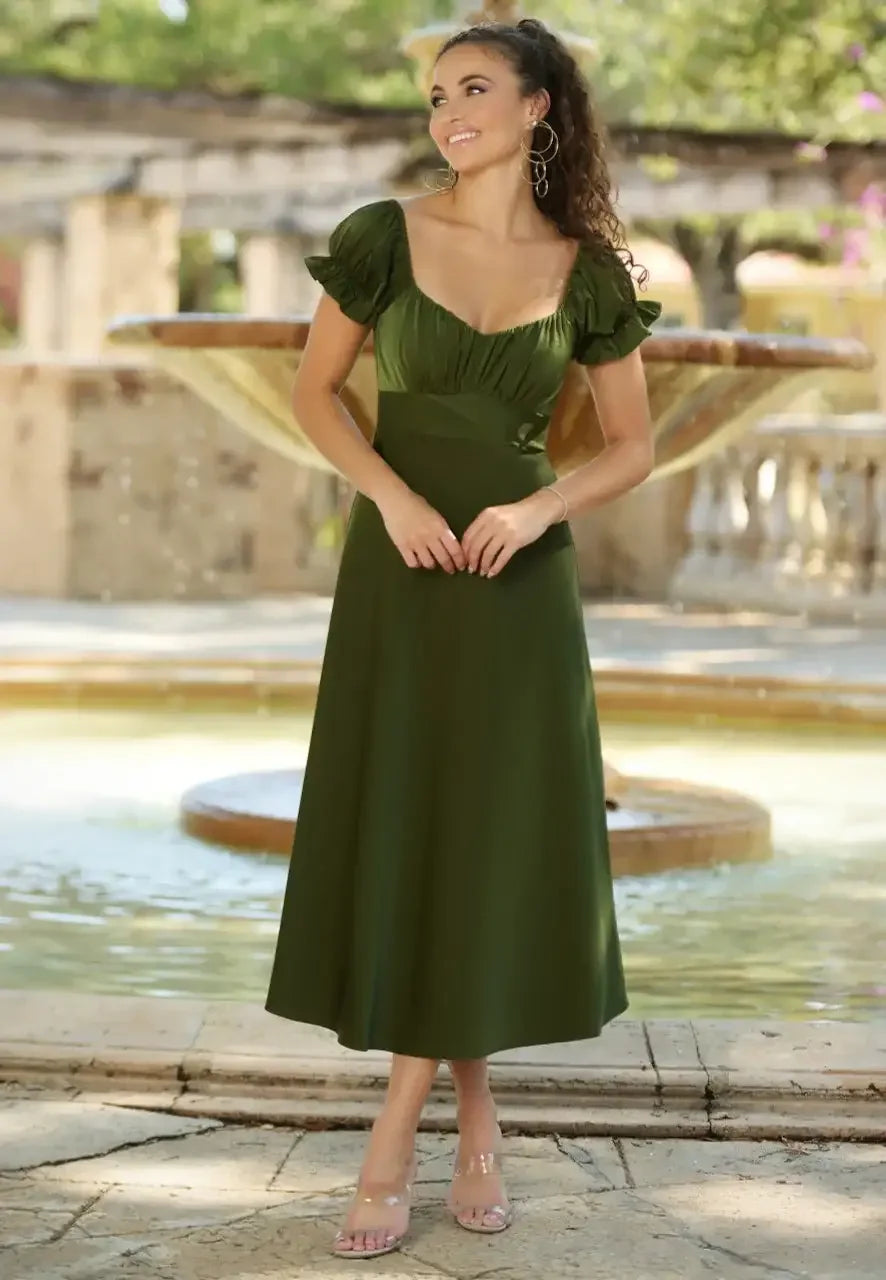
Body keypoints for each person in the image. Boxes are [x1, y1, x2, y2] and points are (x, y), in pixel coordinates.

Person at [264, 15, 661, 1261]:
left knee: (484, 834)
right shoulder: (386, 237)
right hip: (397, 571)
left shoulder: (587, 272)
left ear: (540, 106)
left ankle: (402, 1125)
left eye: (475, 89)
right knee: (419, 821)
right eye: (437, 94)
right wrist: (386, 494)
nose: (449, 113)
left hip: (516, 581)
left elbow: (632, 446)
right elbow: (312, 391)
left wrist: (537, 504)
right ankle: (473, 1107)